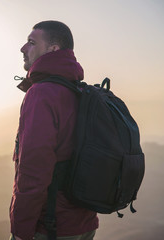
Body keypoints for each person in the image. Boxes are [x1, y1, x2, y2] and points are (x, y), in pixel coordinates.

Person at [9, 21, 99, 240]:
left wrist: (21, 230)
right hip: (85, 223)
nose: (23, 48)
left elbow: (34, 170)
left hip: (51, 226)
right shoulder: (79, 92)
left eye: (31, 42)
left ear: (53, 49)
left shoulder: (42, 93)